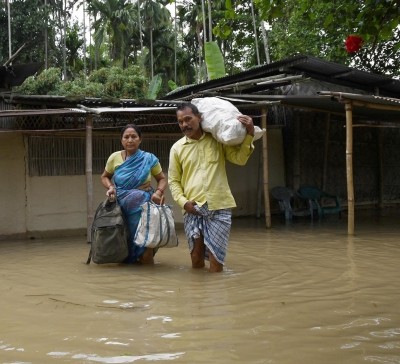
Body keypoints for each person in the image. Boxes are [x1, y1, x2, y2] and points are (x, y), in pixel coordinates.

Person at [168, 102, 255, 273]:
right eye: (180, 122)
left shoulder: (217, 140)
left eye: (188, 119)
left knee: (216, 263)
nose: (185, 124)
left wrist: (250, 134)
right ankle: (198, 297)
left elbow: (240, 159)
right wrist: (184, 203)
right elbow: (173, 181)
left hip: (219, 206)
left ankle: (215, 296)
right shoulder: (177, 148)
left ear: (199, 118)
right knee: (196, 259)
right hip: (192, 208)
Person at [101, 124, 167, 264]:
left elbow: (161, 179)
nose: (130, 140)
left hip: (144, 211)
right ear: (121, 140)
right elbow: (105, 176)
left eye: (133, 136)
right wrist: (111, 187)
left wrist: (159, 192)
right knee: (123, 244)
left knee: (146, 249)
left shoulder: (149, 158)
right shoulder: (114, 158)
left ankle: (147, 280)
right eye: (126, 137)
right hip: (121, 210)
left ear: (140, 139)